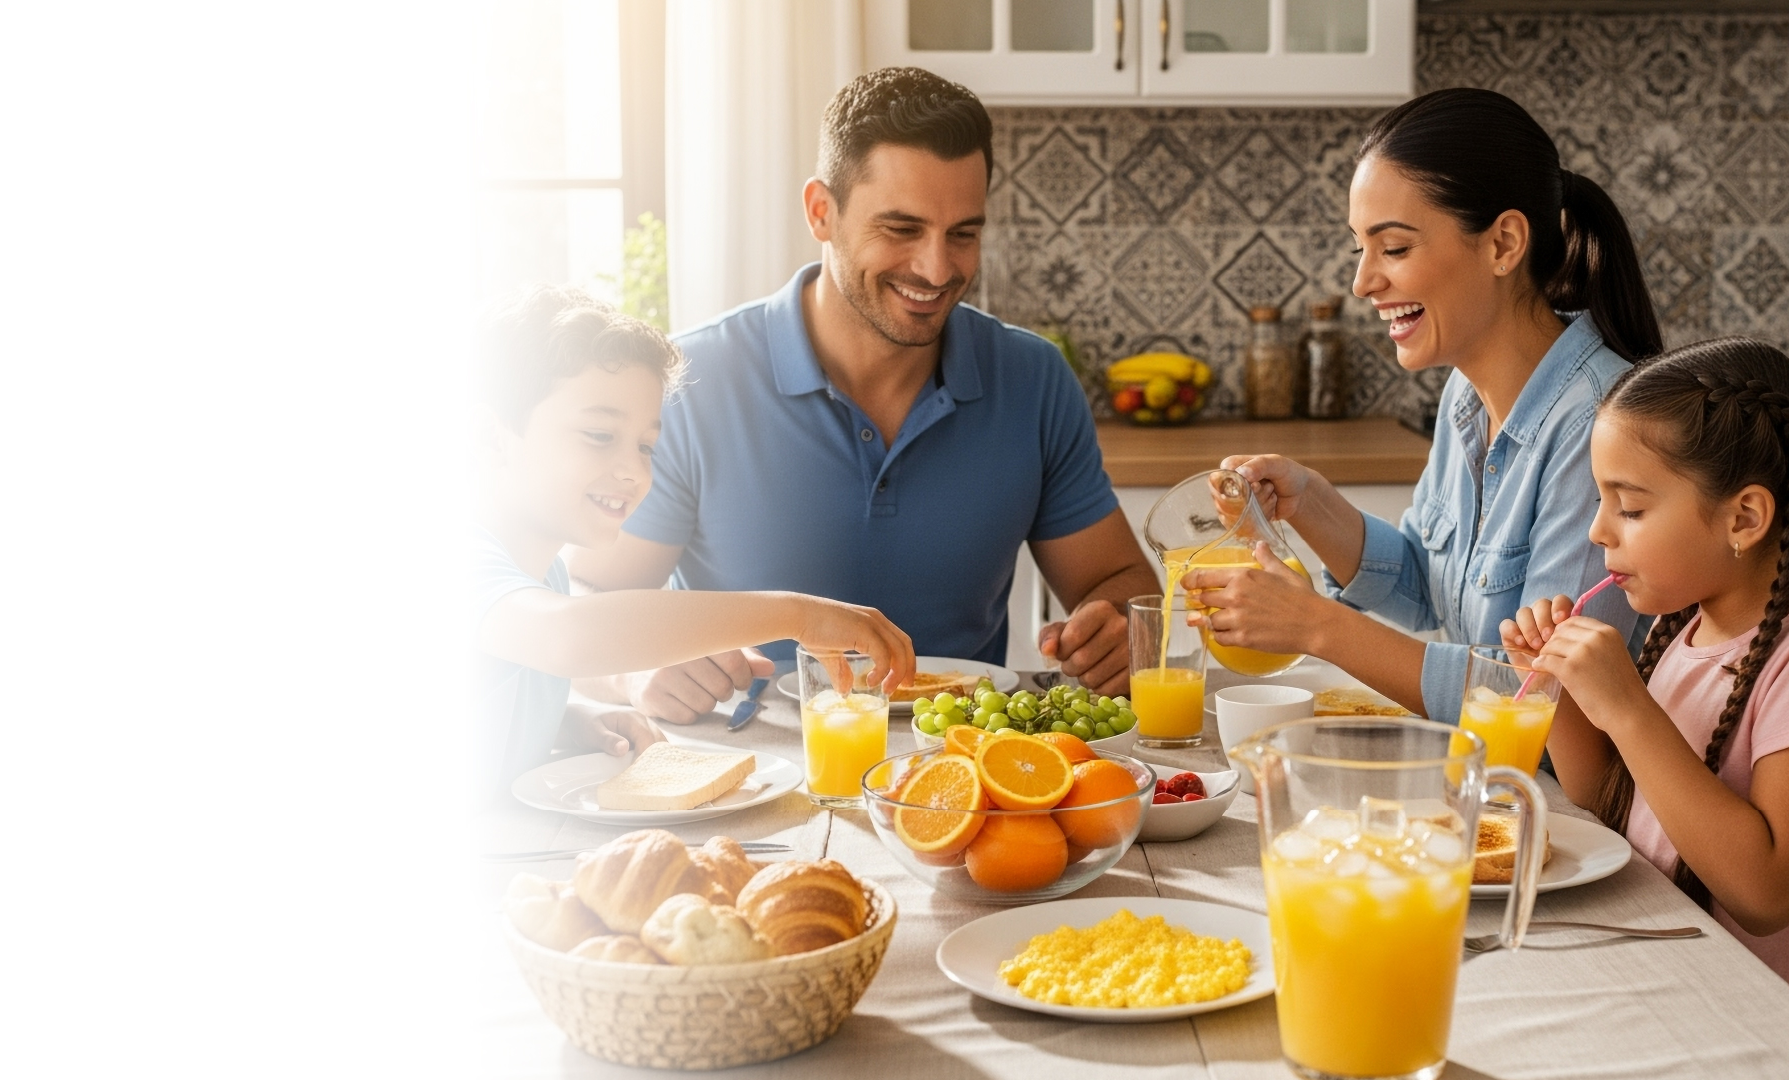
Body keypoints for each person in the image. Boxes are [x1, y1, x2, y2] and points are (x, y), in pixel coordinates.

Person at [569, 67, 1159, 723]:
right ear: (822, 212)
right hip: (752, 773)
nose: (938, 269)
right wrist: (634, 670)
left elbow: (1121, 586)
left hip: (962, 771)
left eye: (963, 233)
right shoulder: (691, 382)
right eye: (902, 229)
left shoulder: (1034, 379)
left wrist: (1119, 633)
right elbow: (587, 598)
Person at [1184, 87, 1658, 725]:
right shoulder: (1467, 392)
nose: (1363, 282)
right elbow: (1430, 593)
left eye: (1396, 248)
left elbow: (1546, 706)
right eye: (1362, 249)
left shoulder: (1597, 425)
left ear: (1503, 243)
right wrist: (1310, 502)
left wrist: (1317, 626)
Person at [474, 287, 916, 795]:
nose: (633, 471)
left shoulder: (540, 571)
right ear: (490, 438)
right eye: (599, 435)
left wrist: (569, 720)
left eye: (646, 446)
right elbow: (568, 637)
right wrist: (798, 615)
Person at [1501, 339, 1789, 980]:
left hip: (1746, 1010)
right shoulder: (1681, 624)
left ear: (1744, 517)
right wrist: (1561, 692)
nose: (1599, 530)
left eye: (1629, 507)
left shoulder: (1780, 667)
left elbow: (1766, 896)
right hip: (1660, 961)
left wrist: (1630, 710)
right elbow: (1611, 803)